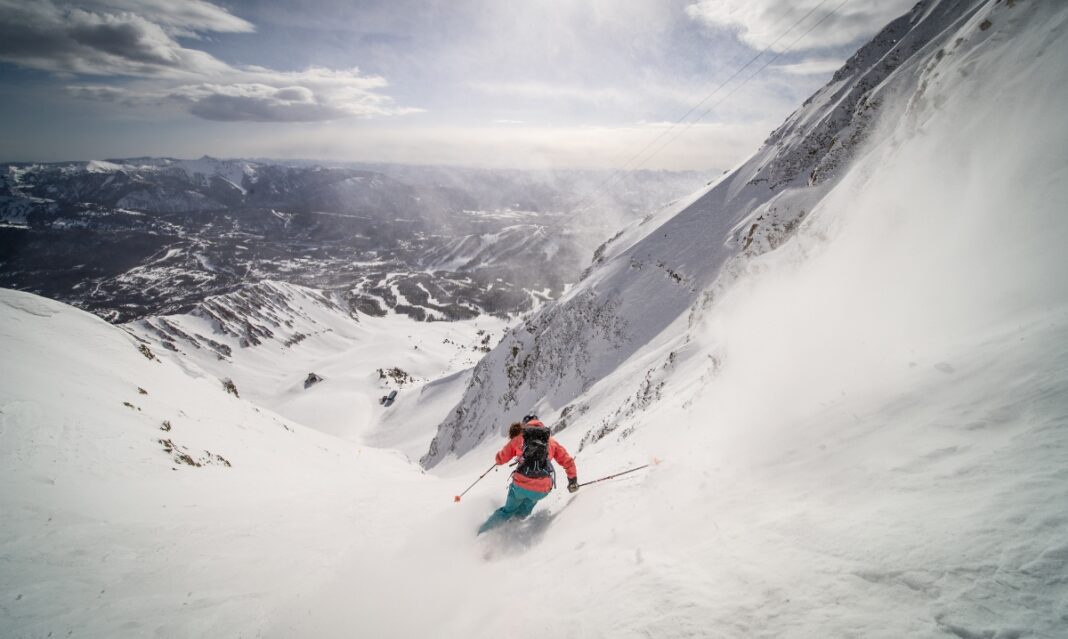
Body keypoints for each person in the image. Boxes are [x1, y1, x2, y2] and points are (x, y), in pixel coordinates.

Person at [477, 414, 578, 535]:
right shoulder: (551, 442)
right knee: (523, 510)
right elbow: (568, 462)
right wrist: (573, 481)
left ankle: (482, 533)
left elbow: (501, 458)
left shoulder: (519, 438)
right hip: (542, 489)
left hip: (520, 485)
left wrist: (501, 458)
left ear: (525, 425)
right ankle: (508, 535)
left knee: (507, 511)